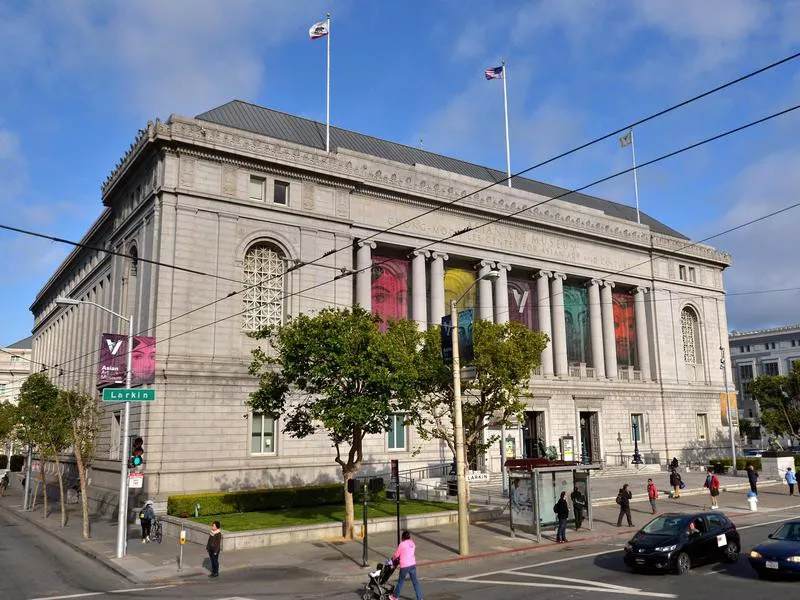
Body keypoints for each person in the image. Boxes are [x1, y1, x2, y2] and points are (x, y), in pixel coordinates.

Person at [389, 530, 422, 600]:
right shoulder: (412, 543)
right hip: (412, 564)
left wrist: (391, 560)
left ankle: (394, 597)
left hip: (405, 566)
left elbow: (396, 555)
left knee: (400, 582)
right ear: (409, 536)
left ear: (403, 537)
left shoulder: (402, 544)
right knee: (415, 582)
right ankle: (420, 598)